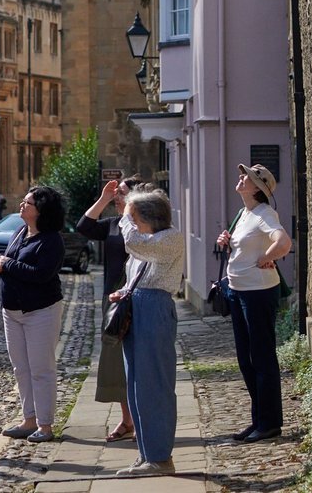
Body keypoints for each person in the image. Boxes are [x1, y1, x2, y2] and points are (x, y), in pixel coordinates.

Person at [216, 164, 292, 444]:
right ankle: (258, 419)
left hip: (258, 293)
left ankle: (270, 423)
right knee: (246, 360)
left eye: (245, 177)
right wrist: (227, 241)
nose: (240, 178)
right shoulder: (244, 214)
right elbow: (245, 246)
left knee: (261, 359)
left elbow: (283, 241)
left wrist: (267, 257)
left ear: (258, 188)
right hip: (238, 291)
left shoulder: (264, 213)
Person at [113, 188, 185, 476]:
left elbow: (133, 242)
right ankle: (147, 454)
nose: (130, 222)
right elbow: (138, 271)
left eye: (134, 217)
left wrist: (124, 220)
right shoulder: (149, 241)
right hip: (139, 306)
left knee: (154, 384)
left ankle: (160, 457)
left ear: (148, 218)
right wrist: (123, 291)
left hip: (154, 309)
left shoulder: (169, 237)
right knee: (137, 387)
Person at [77, 175, 148, 443]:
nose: (117, 196)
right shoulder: (113, 225)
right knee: (115, 360)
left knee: (139, 359)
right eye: (116, 193)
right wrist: (104, 199)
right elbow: (83, 226)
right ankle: (127, 420)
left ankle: (142, 420)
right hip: (114, 300)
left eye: (121, 193)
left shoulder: (146, 225)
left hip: (139, 297)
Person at [0, 185, 67, 444]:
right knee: (21, 368)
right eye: (23, 201)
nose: (22, 205)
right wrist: (4, 264)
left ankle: (45, 425)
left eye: (28, 203)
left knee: (41, 369)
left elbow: (40, 274)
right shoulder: (19, 231)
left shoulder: (51, 240)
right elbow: (9, 260)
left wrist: (7, 264)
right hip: (11, 311)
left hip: (40, 311)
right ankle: (29, 419)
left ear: (41, 211)